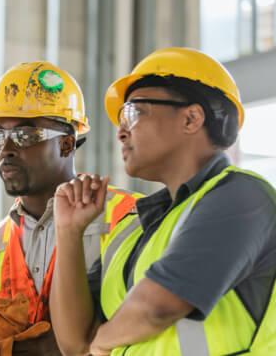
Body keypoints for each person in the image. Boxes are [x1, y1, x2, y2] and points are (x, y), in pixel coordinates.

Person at [50, 47, 276, 355]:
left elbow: (157, 306)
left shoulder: (242, 197)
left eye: (134, 112)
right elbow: (74, 345)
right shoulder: (131, 229)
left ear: (191, 118)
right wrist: (68, 232)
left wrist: (100, 343)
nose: (121, 132)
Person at [0, 62, 141, 356]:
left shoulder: (126, 218)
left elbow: (136, 329)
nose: (7, 149)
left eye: (25, 136)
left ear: (66, 144)